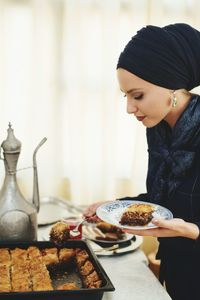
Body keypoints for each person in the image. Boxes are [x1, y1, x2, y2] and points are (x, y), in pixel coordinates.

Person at [83, 23, 200, 300]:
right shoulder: (158, 130)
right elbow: (164, 203)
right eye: (126, 97)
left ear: (171, 86)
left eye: (138, 96)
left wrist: (194, 232)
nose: (129, 108)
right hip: (177, 272)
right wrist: (114, 206)